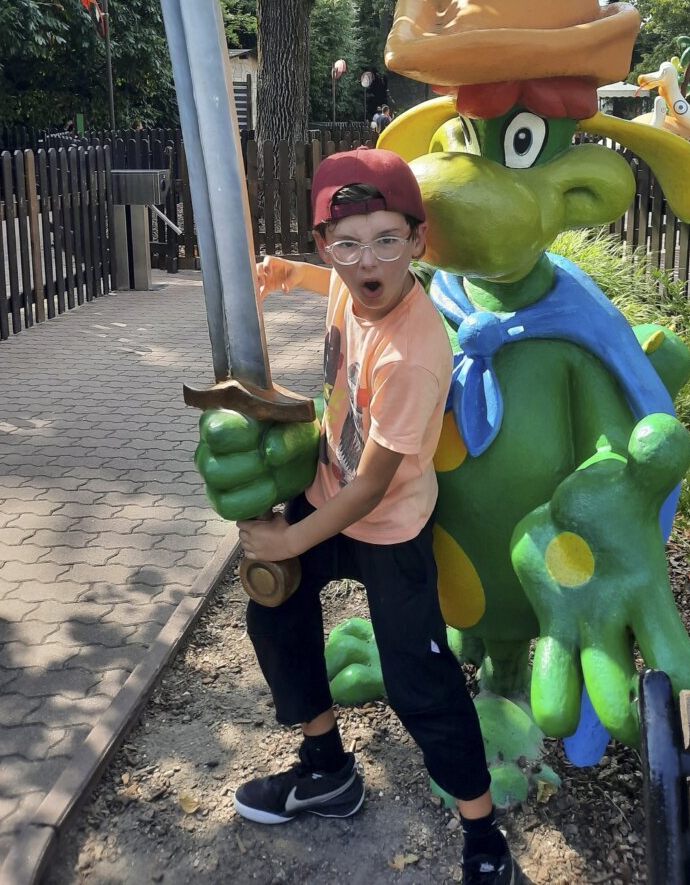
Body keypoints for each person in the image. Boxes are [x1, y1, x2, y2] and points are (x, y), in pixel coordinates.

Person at [229, 148, 518, 885]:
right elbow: (334, 281)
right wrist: (289, 275)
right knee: (275, 612)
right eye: (347, 243)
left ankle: (482, 832)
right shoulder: (350, 280)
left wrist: (288, 538)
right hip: (327, 493)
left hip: (387, 527)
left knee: (419, 680)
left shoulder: (414, 352)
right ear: (325, 242)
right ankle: (326, 768)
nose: (368, 261)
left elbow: (371, 489)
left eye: (388, 240)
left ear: (417, 241)